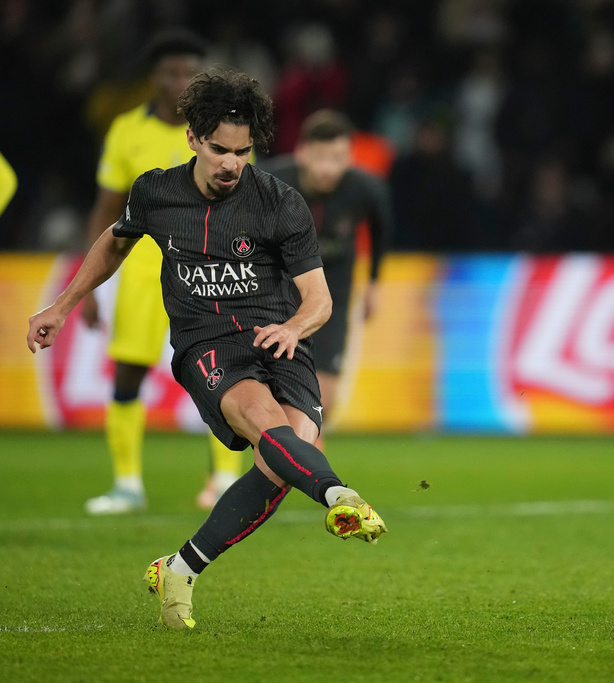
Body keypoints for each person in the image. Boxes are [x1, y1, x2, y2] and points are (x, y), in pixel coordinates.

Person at [27, 68, 387, 630]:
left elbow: (320, 299)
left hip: (276, 337)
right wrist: (63, 304)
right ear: (193, 137)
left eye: (242, 152)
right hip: (208, 345)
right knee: (271, 426)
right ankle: (342, 495)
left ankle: (181, 567)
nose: (230, 164)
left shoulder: (279, 202)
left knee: (284, 455)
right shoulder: (156, 192)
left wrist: (295, 327)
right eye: (219, 149)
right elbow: (114, 243)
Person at [78, 29, 243, 514]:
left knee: (223, 370)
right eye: (170, 72)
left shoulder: (223, 132)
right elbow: (106, 208)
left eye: (188, 71)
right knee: (128, 372)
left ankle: (225, 479)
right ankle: (127, 484)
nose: (178, 81)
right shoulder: (127, 130)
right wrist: (85, 286)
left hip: (210, 271)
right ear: (154, 77)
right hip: (143, 269)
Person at [261, 110, 393, 451]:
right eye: (320, 157)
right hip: (280, 291)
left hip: (334, 294)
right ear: (302, 152)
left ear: (349, 157)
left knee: (325, 400)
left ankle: (303, 456)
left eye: (336, 158)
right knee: (272, 392)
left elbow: (381, 230)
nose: (326, 168)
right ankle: (303, 462)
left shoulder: (367, 189)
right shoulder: (270, 181)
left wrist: (375, 283)